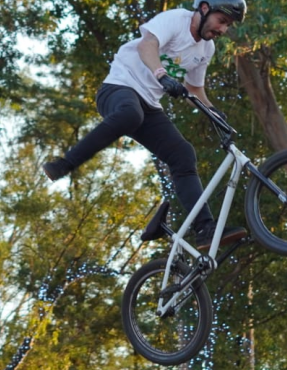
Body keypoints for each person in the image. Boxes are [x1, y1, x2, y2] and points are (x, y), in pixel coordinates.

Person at [43, 0, 248, 250]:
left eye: (227, 25)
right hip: (119, 88)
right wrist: (162, 75)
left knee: (183, 154)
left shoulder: (206, 49)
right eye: (222, 21)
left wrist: (214, 113)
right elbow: (147, 45)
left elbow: (194, 88)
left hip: (149, 105)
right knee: (131, 115)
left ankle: (205, 228)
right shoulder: (176, 20)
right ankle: (64, 164)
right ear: (204, 8)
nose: (223, 30)